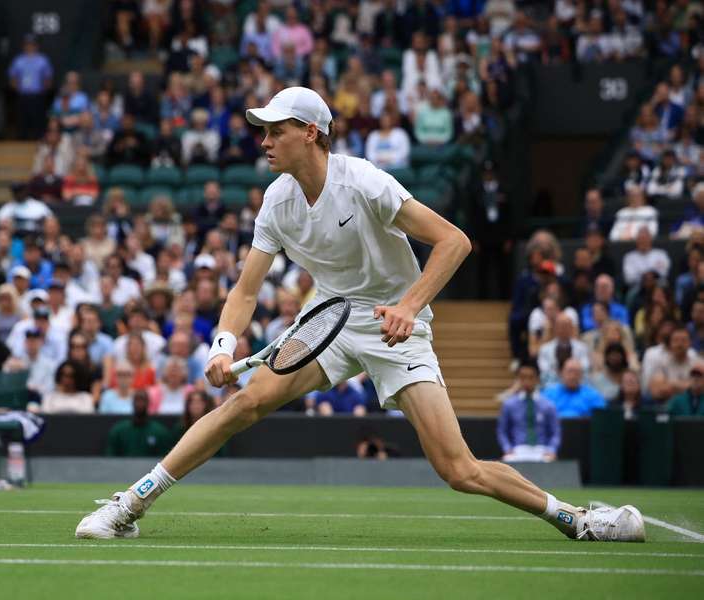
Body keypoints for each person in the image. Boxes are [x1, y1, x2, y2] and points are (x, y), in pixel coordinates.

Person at [76, 86, 644, 542]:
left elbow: (454, 242)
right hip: (330, 319)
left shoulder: (365, 180)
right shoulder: (276, 200)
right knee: (244, 402)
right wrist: (223, 345)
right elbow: (246, 291)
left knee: (458, 470)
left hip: (398, 326)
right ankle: (130, 504)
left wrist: (407, 306)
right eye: (263, 131)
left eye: (277, 130)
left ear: (311, 133)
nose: (265, 141)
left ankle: (576, 519)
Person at [496, 361, 560, 462]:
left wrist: (552, 450)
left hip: (542, 450)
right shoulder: (509, 405)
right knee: (507, 460)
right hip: (517, 450)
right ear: (518, 379)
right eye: (522, 377)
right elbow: (502, 431)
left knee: (549, 460)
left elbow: (555, 433)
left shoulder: (548, 405)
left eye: (530, 377)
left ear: (537, 379)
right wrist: (507, 449)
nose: (526, 381)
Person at [105, 390, 173, 457]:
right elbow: (110, 458)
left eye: (142, 400)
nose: (139, 403)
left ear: (148, 403)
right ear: (132, 403)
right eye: (137, 400)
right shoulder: (118, 431)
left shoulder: (160, 432)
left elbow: (164, 459)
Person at [542, 358, 607, 418]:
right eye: (569, 372)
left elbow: (601, 418)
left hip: (584, 429)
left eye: (576, 373)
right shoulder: (548, 394)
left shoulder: (593, 395)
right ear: (561, 373)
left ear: (582, 375)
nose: (572, 376)